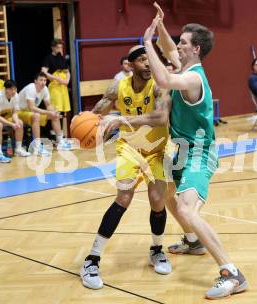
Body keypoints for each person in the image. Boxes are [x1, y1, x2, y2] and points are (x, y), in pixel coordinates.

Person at [106, 5, 248, 299]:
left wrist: (146, 43)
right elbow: (169, 49)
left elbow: (165, 80)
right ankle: (193, 241)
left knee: (186, 207)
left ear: (195, 49)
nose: (177, 45)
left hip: (199, 152)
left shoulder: (193, 78)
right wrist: (159, 25)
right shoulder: (185, 65)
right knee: (165, 193)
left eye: (183, 42)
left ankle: (232, 273)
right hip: (180, 151)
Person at [79, 45, 172, 290]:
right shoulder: (118, 86)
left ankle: (156, 250)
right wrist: (85, 124)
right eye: (142, 60)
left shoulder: (160, 85)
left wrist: (122, 119)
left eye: (149, 59)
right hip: (130, 149)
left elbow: (161, 118)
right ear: (130, 65)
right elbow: (98, 112)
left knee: (157, 201)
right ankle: (92, 259)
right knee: (123, 197)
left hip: (157, 149)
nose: (148, 64)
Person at [18, 72, 73, 155]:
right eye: (41, 80)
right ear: (35, 81)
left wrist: (53, 112)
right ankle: (37, 146)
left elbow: (48, 105)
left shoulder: (45, 89)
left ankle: (60, 142)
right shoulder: (31, 88)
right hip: (19, 113)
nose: (43, 82)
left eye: (45, 80)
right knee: (36, 116)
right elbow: (32, 108)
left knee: (54, 116)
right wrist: (48, 112)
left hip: (30, 113)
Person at [0, 80, 30, 157]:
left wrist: (15, 122)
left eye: (15, 89)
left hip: (4, 115)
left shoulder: (16, 96)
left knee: (20, 122)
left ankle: (18, 149)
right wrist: (11, 124)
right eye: (11, 89)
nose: (14, 91)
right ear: (6, 89)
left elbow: (14, 113)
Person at [41, 38, 71, 114]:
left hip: (63, 87)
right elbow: (43, 72)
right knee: (55, 111)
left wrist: (67, 80)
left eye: (61, 47)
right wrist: (56, 78)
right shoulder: (49, 58)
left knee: (63, 113)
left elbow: (67, 72)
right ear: (53, 48)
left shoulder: (62, 58)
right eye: (58, 47)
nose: (60, 49)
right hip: (54, 87)